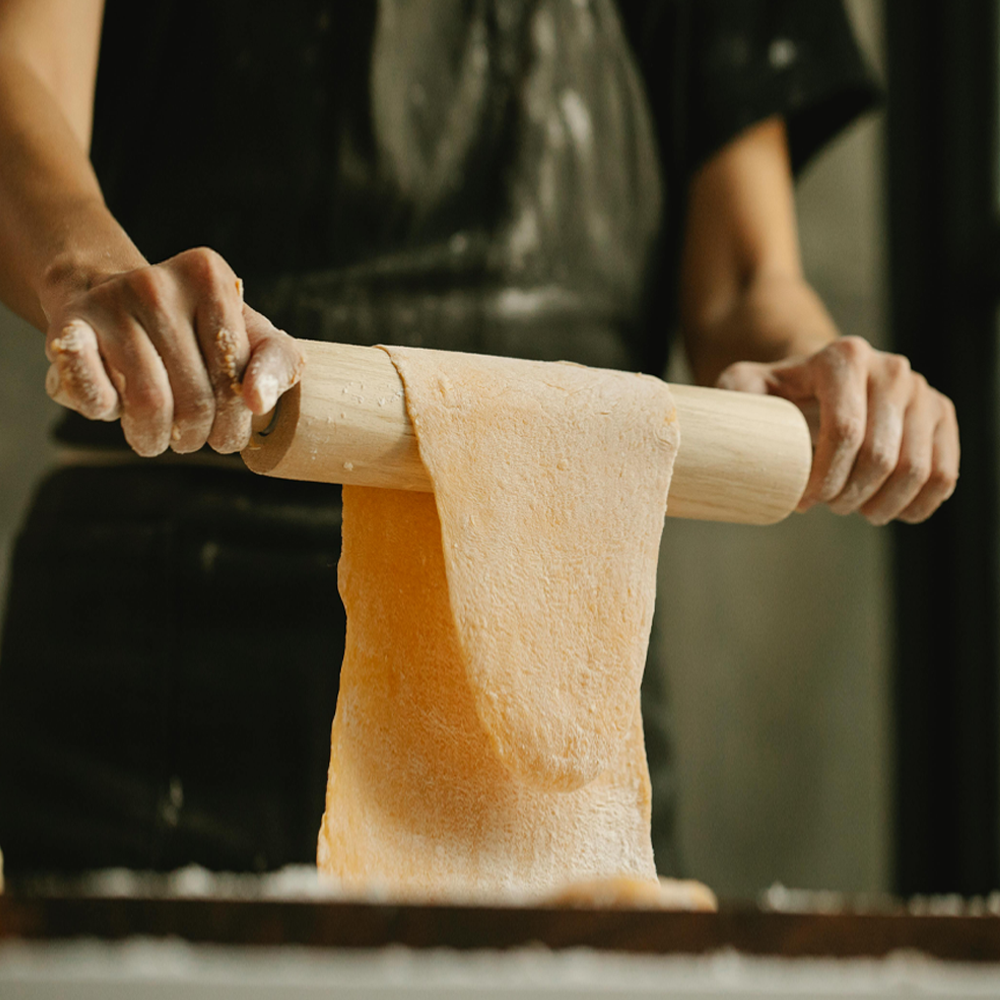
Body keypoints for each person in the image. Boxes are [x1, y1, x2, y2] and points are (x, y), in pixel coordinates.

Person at [0, 0, 959, 876]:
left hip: (556, 655)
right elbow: (22, 68)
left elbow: (750, 281)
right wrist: (86, 269)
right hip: (160, 637)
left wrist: (815, 366)